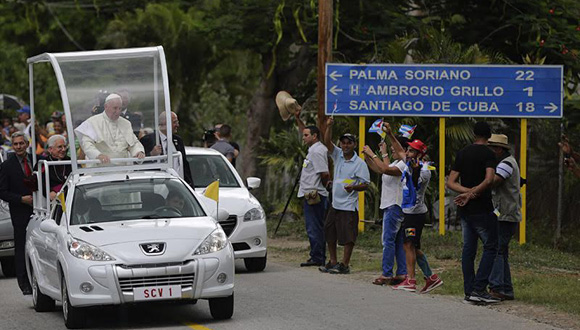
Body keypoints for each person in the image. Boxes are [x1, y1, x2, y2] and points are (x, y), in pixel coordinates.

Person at [446, 121, 500, 304]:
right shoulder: (489, 153)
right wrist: (474, 193)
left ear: (473, 134)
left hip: (465, 210)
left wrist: (466, 192)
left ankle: (469, 291)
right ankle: (479, 289)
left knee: (468, 250)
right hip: (482, 208)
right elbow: (490, 178)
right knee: (491, 246)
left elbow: (451, 182)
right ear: (489, 135)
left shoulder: (462, 153)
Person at [391, 139, 444, 293]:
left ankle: (411, 280)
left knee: (408, 245)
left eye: (412, 151)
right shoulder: (409, 162)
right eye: (408, 150)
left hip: (415, 214)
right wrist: (390, 134)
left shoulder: (425, 170)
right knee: (413, 246)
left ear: (420, 155)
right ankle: (431, 277)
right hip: (409, 212)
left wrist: (415, 170)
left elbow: (415, 185)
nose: (407, 153)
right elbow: (399, 149)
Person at [319, 117, 370, 274]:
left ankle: (345, 264)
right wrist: (329, 126)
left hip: (348, 206)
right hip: (335, 204)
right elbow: (327, 142)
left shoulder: (359, 163)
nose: (345, 145)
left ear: (354, 145)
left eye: (349, 143)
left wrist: (354, 187)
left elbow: (366, 184)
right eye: (343, 142)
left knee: (348, 236)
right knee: (329, 231)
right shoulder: (338, 155)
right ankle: (333, 261)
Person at [363, 122, 408, 286]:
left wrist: (372, 154)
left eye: (395, 148)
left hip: (395, 206)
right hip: (392, 205)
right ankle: (401, 273)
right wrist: (369, 157)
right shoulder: (397, 163)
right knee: (397, 241)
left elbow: (385, 169)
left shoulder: (404, 164)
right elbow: (382, 169)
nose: (393, 149)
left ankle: (387, 273)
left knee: (388, 241)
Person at [487, 134, 521, 301]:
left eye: (491, 148)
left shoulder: (506, 164)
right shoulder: (507, 162)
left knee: (498, 250)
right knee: (502, 251)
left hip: (505, 214)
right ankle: (506, 288)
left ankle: (497, 286)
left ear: (499, 149)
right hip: (506, 213)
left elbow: (493, 181)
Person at [294, 109, 330, 267]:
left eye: (306, 135)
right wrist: (297, 118)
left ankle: (317, 256)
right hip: (311, 193)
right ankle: (317, 255)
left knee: (314, 226)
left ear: (314, 136)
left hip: (314, 195)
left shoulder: (317, 152)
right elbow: (304, 129)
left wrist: (320, 189)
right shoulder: (314, 149)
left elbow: (324, 173)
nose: (303, 137)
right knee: (314, 225)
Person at [0, 132, 34, 295]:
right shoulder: (7, 166)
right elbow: (3, 192)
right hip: (19, 212)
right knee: (21, 247)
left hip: (39, 210)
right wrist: (21, 199)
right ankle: (24, 283)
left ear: (27, 144)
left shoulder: (37, 160)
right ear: (12, 146)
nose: (19, 147)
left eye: (21, 143)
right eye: (16, 144)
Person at [74, 93, 145, 165]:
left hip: (122, 170)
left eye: (120, 108)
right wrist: (98, 155)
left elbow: (133, 143)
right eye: (115, 108)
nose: (118, 111)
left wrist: (138, 152)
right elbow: (87, 144)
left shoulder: (126, 124)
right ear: (106, 106)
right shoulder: (92, 122)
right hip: (100, 171)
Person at [140, 111, 193, 186]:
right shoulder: (148, 140)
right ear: (165, 123)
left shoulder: (178, 140)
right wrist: (151, 154)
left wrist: (190, 186)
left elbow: (184, 165)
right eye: (175, 122)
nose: (177, 125)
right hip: (155, 186)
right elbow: (139, 164)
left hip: (177, 187)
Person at [34, 134, 72, 200]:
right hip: (52, 198)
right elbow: (39, 181)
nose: (63, 150)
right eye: (60, 147)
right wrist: (48, 192)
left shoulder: (70, 161)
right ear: (50, 149)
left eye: (64, 146)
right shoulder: (43, 163)